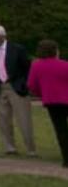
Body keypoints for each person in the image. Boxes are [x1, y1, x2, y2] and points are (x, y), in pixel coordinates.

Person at [0, 25, 36, 156]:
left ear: (3, 36)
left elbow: (27, 68)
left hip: (16, 87)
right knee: (3, 119)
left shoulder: (18, 49)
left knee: (24, 119)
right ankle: (10, 147)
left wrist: (24, 85)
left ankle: (31, 149)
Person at [28, 39, 68, 168]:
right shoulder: (65, 65)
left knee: (61, 130)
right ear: (55, 50)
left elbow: (32, 85)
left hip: (52, 101)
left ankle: (66, 159)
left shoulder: (36, 65)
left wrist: (43, 93)